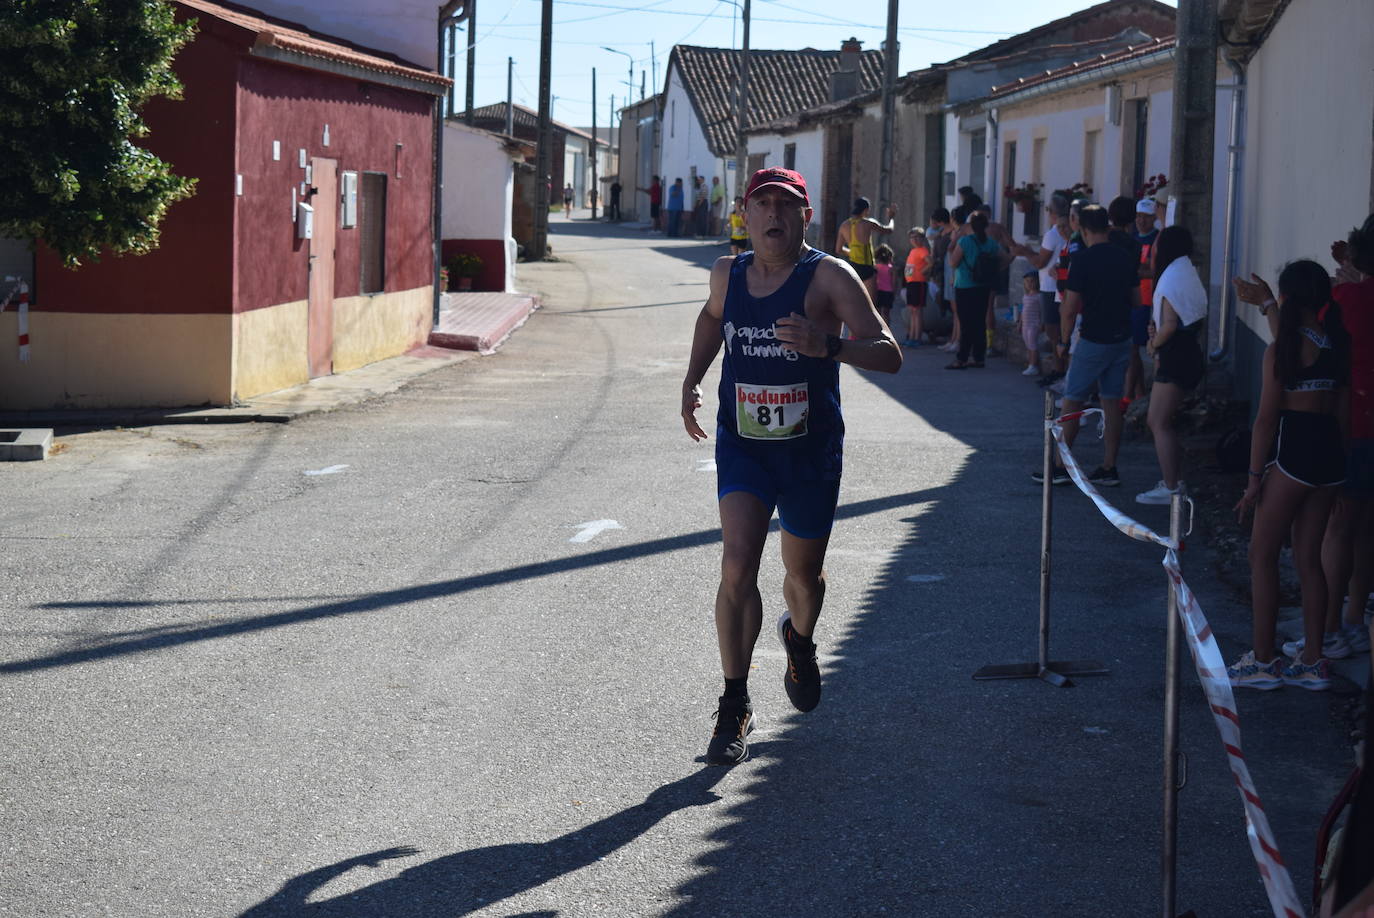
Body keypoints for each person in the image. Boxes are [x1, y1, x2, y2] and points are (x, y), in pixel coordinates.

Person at [680, 167, 902, 766]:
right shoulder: (727, 273)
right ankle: (734, 701)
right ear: (745, 216)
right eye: (763, 204)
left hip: (809, 450)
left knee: (804, 576)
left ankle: (798, 640)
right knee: (736, 564)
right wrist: (692, 380)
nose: (773, 215)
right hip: (744, 443)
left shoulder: (830, 276)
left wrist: (828, 346)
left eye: (787, 205)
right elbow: (710, 318)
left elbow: (889, 353)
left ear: (807, 216)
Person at [1229, 259, 1351, 691]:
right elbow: (1342, 411)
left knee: (1260, 556)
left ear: (1288, 296)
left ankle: (1263, 661)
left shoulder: (1279, 349)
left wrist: (1253, 478)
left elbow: (1265, 421)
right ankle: (1314, 661)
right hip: (1331, 460)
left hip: (1293, 458)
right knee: (1309, 559)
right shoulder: (1334, 341)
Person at [1033, 204, 1139, 486]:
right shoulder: (1125, 257)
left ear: (1083, 228)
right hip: (1121, 336)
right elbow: (1137, 300)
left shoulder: (1083, 260)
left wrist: (1064, 343)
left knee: (1072, 400)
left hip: (1093, 337)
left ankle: (1060, 466)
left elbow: (1068, 308)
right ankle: (1109, 466)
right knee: (1111, 402)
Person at [1136, 226, 1208, 505]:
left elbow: (1169, 325)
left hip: (1176, 354)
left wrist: (1153, 345)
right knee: (1164, 421)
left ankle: (1171, 487)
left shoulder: (1171, 278)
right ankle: (1174, 481)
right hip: (1187, 351)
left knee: (1158, 420)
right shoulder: (1185, 271)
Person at [1012, 193, 1071, 382]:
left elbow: (1039, 262)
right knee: (1058, 332)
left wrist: (1024, 251)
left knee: (1054, 332)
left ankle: (1059, 369)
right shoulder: (1065, 232)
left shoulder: (1053, 233)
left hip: (1051, 287)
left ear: (1050, 212)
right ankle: (1059, 369)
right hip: (1058, 286)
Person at [945, 211, 1004, 370]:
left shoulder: (964, 241)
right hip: (983, 286)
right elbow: (1002, 258)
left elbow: (953, 263)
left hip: (964, 285)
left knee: (966, 323)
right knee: (979, 322)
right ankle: (979, 357)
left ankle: (962, 358)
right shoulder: (991, 243)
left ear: (971, 225)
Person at [1108, 196, 1149, 404]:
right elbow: (1135, 273)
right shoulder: (1134, 244)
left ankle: (1131, 394)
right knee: (1131, 350)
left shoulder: (1103, 239)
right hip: (1127, 301)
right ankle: (1131, 395)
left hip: (1105, 302)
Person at [834, 196, 896, 297]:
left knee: (854, 302)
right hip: (867, 267)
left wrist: (853, 252)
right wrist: (891, 218)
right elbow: (889, 230)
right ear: (866, 210)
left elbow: (838, 249)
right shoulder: (868, 223)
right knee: (870, 305)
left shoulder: (844, 225)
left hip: (852, 267)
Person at [903, 228, 931, 347]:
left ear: (922, 238)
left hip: (918, 283)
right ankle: (912, 336)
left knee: (917, 311)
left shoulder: (922, 250)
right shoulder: (913, 251)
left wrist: (922, 271)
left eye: (917, 237)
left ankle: (917, 338)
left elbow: (931, 262)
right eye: (912, 238)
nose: (914, 240)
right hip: (911, 283)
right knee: (913, 311)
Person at [1018, 270, 1042, 376]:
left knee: (1032, 344)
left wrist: (1042, 323)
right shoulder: (1026, 296)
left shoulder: (1039, 296)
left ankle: (1033, 366)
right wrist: (1020, 323)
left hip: (1034, 324)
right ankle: (1030, 363)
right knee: (1028, 344)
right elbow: (1023, 311)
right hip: (1025, 324)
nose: (1029, 284)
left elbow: (1042, 311)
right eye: (1027, 281)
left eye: (1032, 281)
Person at [873, 244, 897, 329]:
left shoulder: (875, 267)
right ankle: (887, 331)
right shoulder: (892, 269)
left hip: (878, 292)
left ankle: (878, 331)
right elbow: (894, 283)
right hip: (888, 292)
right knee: (886, 314)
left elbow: (874, 281)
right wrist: (894, 293)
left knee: (877, 313)